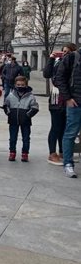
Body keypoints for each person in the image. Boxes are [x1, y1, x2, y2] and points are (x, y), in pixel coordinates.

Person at [44, 44, 75, 165]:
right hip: (57, 98)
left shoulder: (74, 63)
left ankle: (63, 152)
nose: (65, 54)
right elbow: (47, 74)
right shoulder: (57, 63)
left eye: (68, 52)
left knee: (65, 127)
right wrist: (51, 59)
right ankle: (52, 153)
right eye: (64, 52)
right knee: (56, 127)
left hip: (69, 97)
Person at [53, 44, 81, 178]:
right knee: (71, 133)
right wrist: (68, 98)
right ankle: (68, 164)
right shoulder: (72, 57)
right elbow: (59, 78)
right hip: (76, 103)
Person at [3, 75, 39, 162]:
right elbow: (6, 105)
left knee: (26, 138)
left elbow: (35, 107)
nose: (20, 87)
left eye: (22, 85)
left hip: (25, 121)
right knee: (12, 138)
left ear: (26, 85)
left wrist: (28, 115)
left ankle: (25, 153)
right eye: (18, 85)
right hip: (13, 120)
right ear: (15, 85)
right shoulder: (11, 95)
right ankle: (12, 152)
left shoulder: (30, 96)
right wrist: (8, 112)